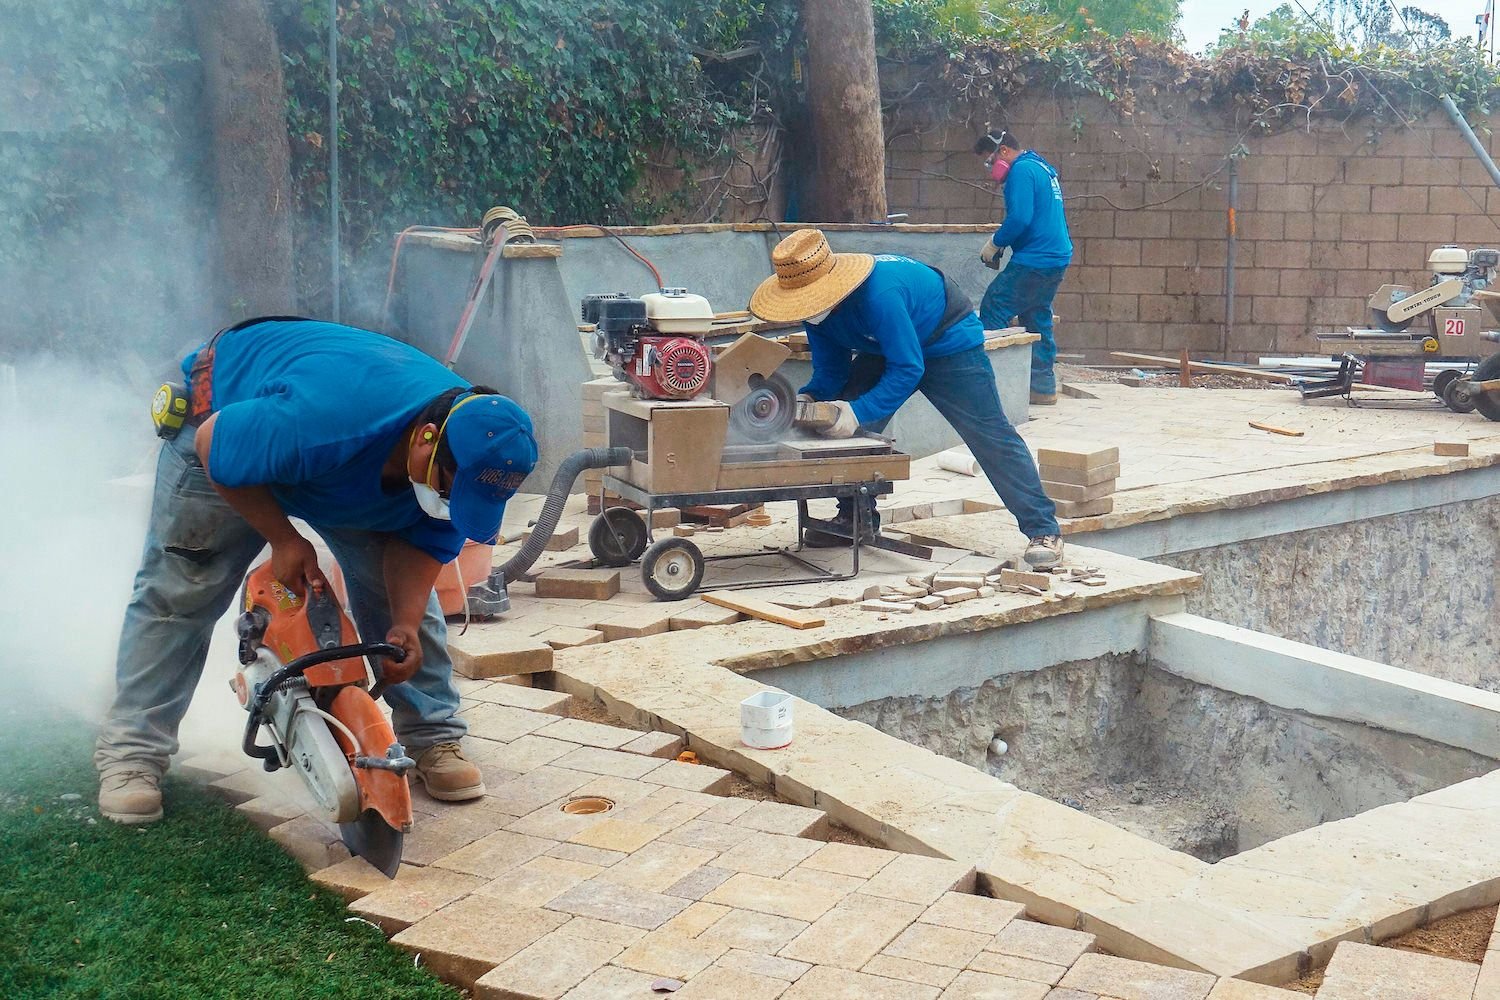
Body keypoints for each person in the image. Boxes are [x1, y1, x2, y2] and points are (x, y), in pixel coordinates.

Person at [95, 317, 538, 824]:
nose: (447, 504)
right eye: (448, 488)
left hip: (338, 469)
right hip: (224, 424)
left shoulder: (465, 452)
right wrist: (284, 540)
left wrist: (405, 624)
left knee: (409, 617)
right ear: (427, 438)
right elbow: (216, 444)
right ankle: (132, 753)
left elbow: (421, 546)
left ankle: (434, 736)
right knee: (182, 591)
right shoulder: (332, 419)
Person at [749, 228, 1062, 569]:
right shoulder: (817, 312)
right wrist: (809, 399)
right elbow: (830, 375)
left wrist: (857, 412)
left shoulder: (878, 295)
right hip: (887, 347)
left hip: (948, 342)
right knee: (840, 428)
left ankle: (1043, 529)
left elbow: (908, 367)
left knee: (990, 435)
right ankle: (855, 518)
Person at [975, 129, 1073, 406]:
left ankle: (991, 391)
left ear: (1003, 151)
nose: (990, 169)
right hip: (1056, 256)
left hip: (1036, 259)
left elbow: (1020, 219)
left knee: (994, 307)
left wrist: (996, 243)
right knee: (1036, 315)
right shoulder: (1040, 167)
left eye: (989, 161)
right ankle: (1041, 387)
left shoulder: (1020, 171)